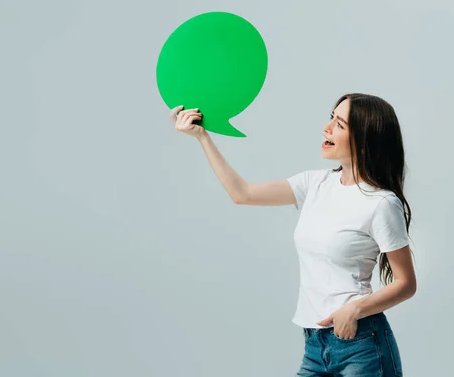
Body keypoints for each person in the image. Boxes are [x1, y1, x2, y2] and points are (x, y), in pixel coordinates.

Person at [169, 93, 417, 377]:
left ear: (365, 140)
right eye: (331, 117)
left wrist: (355, 309)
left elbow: (406, 283)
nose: (327, 127)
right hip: (314, 345)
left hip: (361, 344)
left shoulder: (381, 203)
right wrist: (202, 137)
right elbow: (242, 193)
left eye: (340, 124)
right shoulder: (315, 184)